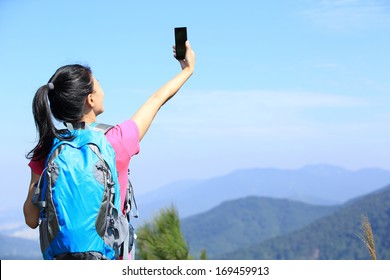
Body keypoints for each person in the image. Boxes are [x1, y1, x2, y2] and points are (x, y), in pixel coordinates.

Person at [23, 41, 195, 258]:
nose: (103, 89)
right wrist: (188, 70)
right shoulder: (116, 140)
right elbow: (156, 100)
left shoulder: (47, 147)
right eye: (99, 84)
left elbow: (31, 218)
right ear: (91, 99)